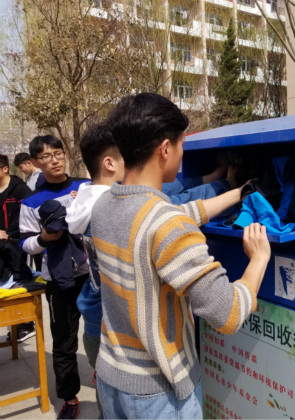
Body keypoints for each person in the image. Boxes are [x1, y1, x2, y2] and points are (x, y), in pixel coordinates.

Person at [91, 92, 271, 419]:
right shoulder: (167, 225)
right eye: (181, 144)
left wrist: (238, 192)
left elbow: (175, 215)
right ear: (165, 148)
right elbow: (227, 314)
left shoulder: (104, 205)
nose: (182, 152)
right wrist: (258, 259)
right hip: (159, 394)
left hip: (111, 378)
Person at [66, 121, 236, 419]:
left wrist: (223, 183)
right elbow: (226, 312)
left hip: (109, 353)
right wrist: (258, 258)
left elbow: (171, 204)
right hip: (153, 379)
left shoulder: (97, 204)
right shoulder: (138, 213)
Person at [19, 135, 90, 419]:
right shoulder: (31, 201)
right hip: (59, 281)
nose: (55, 160)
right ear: (36, 162)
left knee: (104, 331)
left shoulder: (85, 187)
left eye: (58, 153)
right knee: (63, 341)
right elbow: (25, 244)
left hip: (93, 274)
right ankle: (69, 398)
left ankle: (104, 376)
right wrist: (45, 238)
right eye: (46, 156)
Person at [0, 154, 36, 343]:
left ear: (5, 169)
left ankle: (25, 325)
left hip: (17, 244)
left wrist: (13, 235)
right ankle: (15, 324)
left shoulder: (20, 189)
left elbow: (32, 215)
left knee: (19, 282)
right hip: (1, 245)